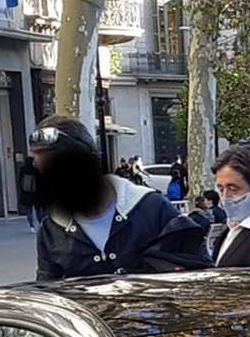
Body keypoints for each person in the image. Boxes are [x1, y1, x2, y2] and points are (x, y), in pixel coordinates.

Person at [27, 118, 207, 280]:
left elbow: (201, 273)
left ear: (93, 162)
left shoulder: (153, 208)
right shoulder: (51, 230)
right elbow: (48, 296)